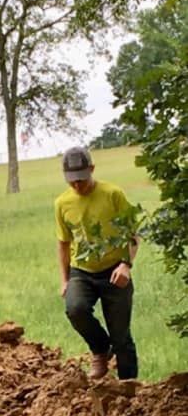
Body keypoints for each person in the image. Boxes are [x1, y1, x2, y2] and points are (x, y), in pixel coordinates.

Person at [55, 146, 139, 380]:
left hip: (115, 270)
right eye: (71, 181)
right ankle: (101, 349)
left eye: (81, 179)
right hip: (82, 271)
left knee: (122, 338)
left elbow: (133, 234)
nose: (77, 186)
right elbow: (63, 243)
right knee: (75, 308)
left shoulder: (113, 194)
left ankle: (129, 390)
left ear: (92, 169)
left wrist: (126, 265)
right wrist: (64, 280)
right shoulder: (62, 203)